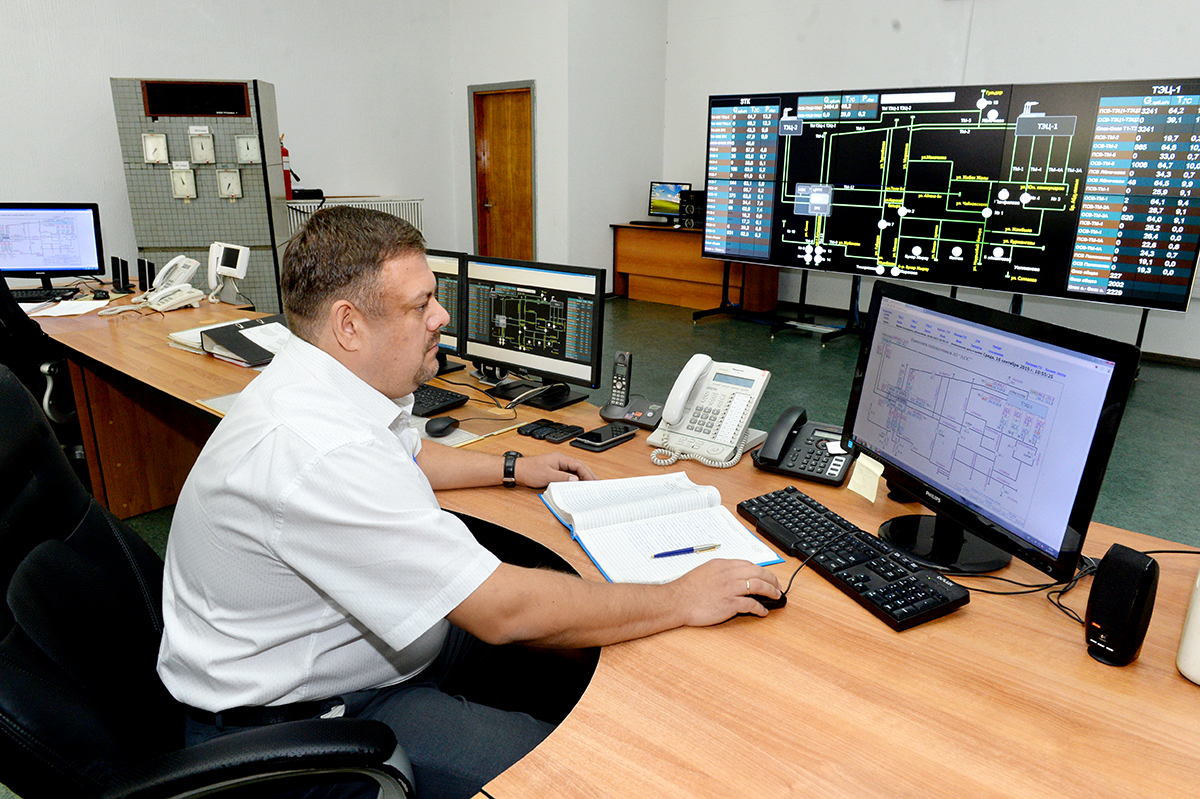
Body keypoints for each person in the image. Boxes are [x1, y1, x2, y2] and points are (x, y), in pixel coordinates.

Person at [156, 205, 783, 799]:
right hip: (309, 724)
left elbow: (407, 456)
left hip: (361, 656)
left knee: (566, 614)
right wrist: (680, 597)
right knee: (575, 775)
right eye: (421, 304)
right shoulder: (318, 450)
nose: (442, 316)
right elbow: (503, 611)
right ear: (350, 324)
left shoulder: (318, 384)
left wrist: (513, 467)